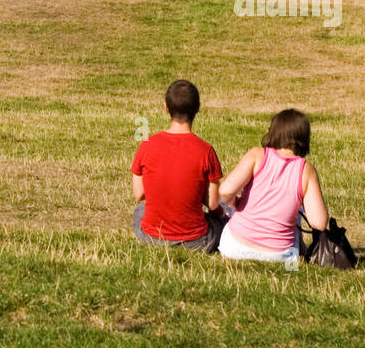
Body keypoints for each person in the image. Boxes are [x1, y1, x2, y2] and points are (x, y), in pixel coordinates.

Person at [218, 109, 328, 264]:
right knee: (297, 211)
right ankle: (297, 261)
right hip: (281, 257)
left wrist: (234, 202)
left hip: (234, 248)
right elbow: (319, 222)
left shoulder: (257, 155)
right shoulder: (306, 170)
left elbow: (224, 191)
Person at [132, 80, 223, 253]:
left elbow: (139, 194)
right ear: (198, 108)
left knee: (140, 211)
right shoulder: (206, 151)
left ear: (166, 107)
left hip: (152, 237)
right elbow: (212, 203)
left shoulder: (146, 145)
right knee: (221, 222)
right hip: (196, 242)